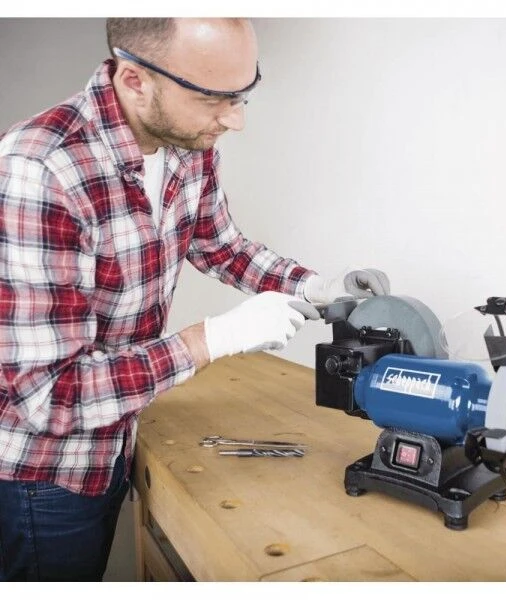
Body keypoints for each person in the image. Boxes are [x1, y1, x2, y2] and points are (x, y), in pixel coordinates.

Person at [0, 17, 390, 581]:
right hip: (46, 474)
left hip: (121, 432)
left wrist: (313, 285)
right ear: (135, 80)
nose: (236, 120)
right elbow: (49, 397)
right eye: (214, 98)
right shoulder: (40, 171)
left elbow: (220, 245)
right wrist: (214, 338)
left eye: (243, 93)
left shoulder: (188, 143)